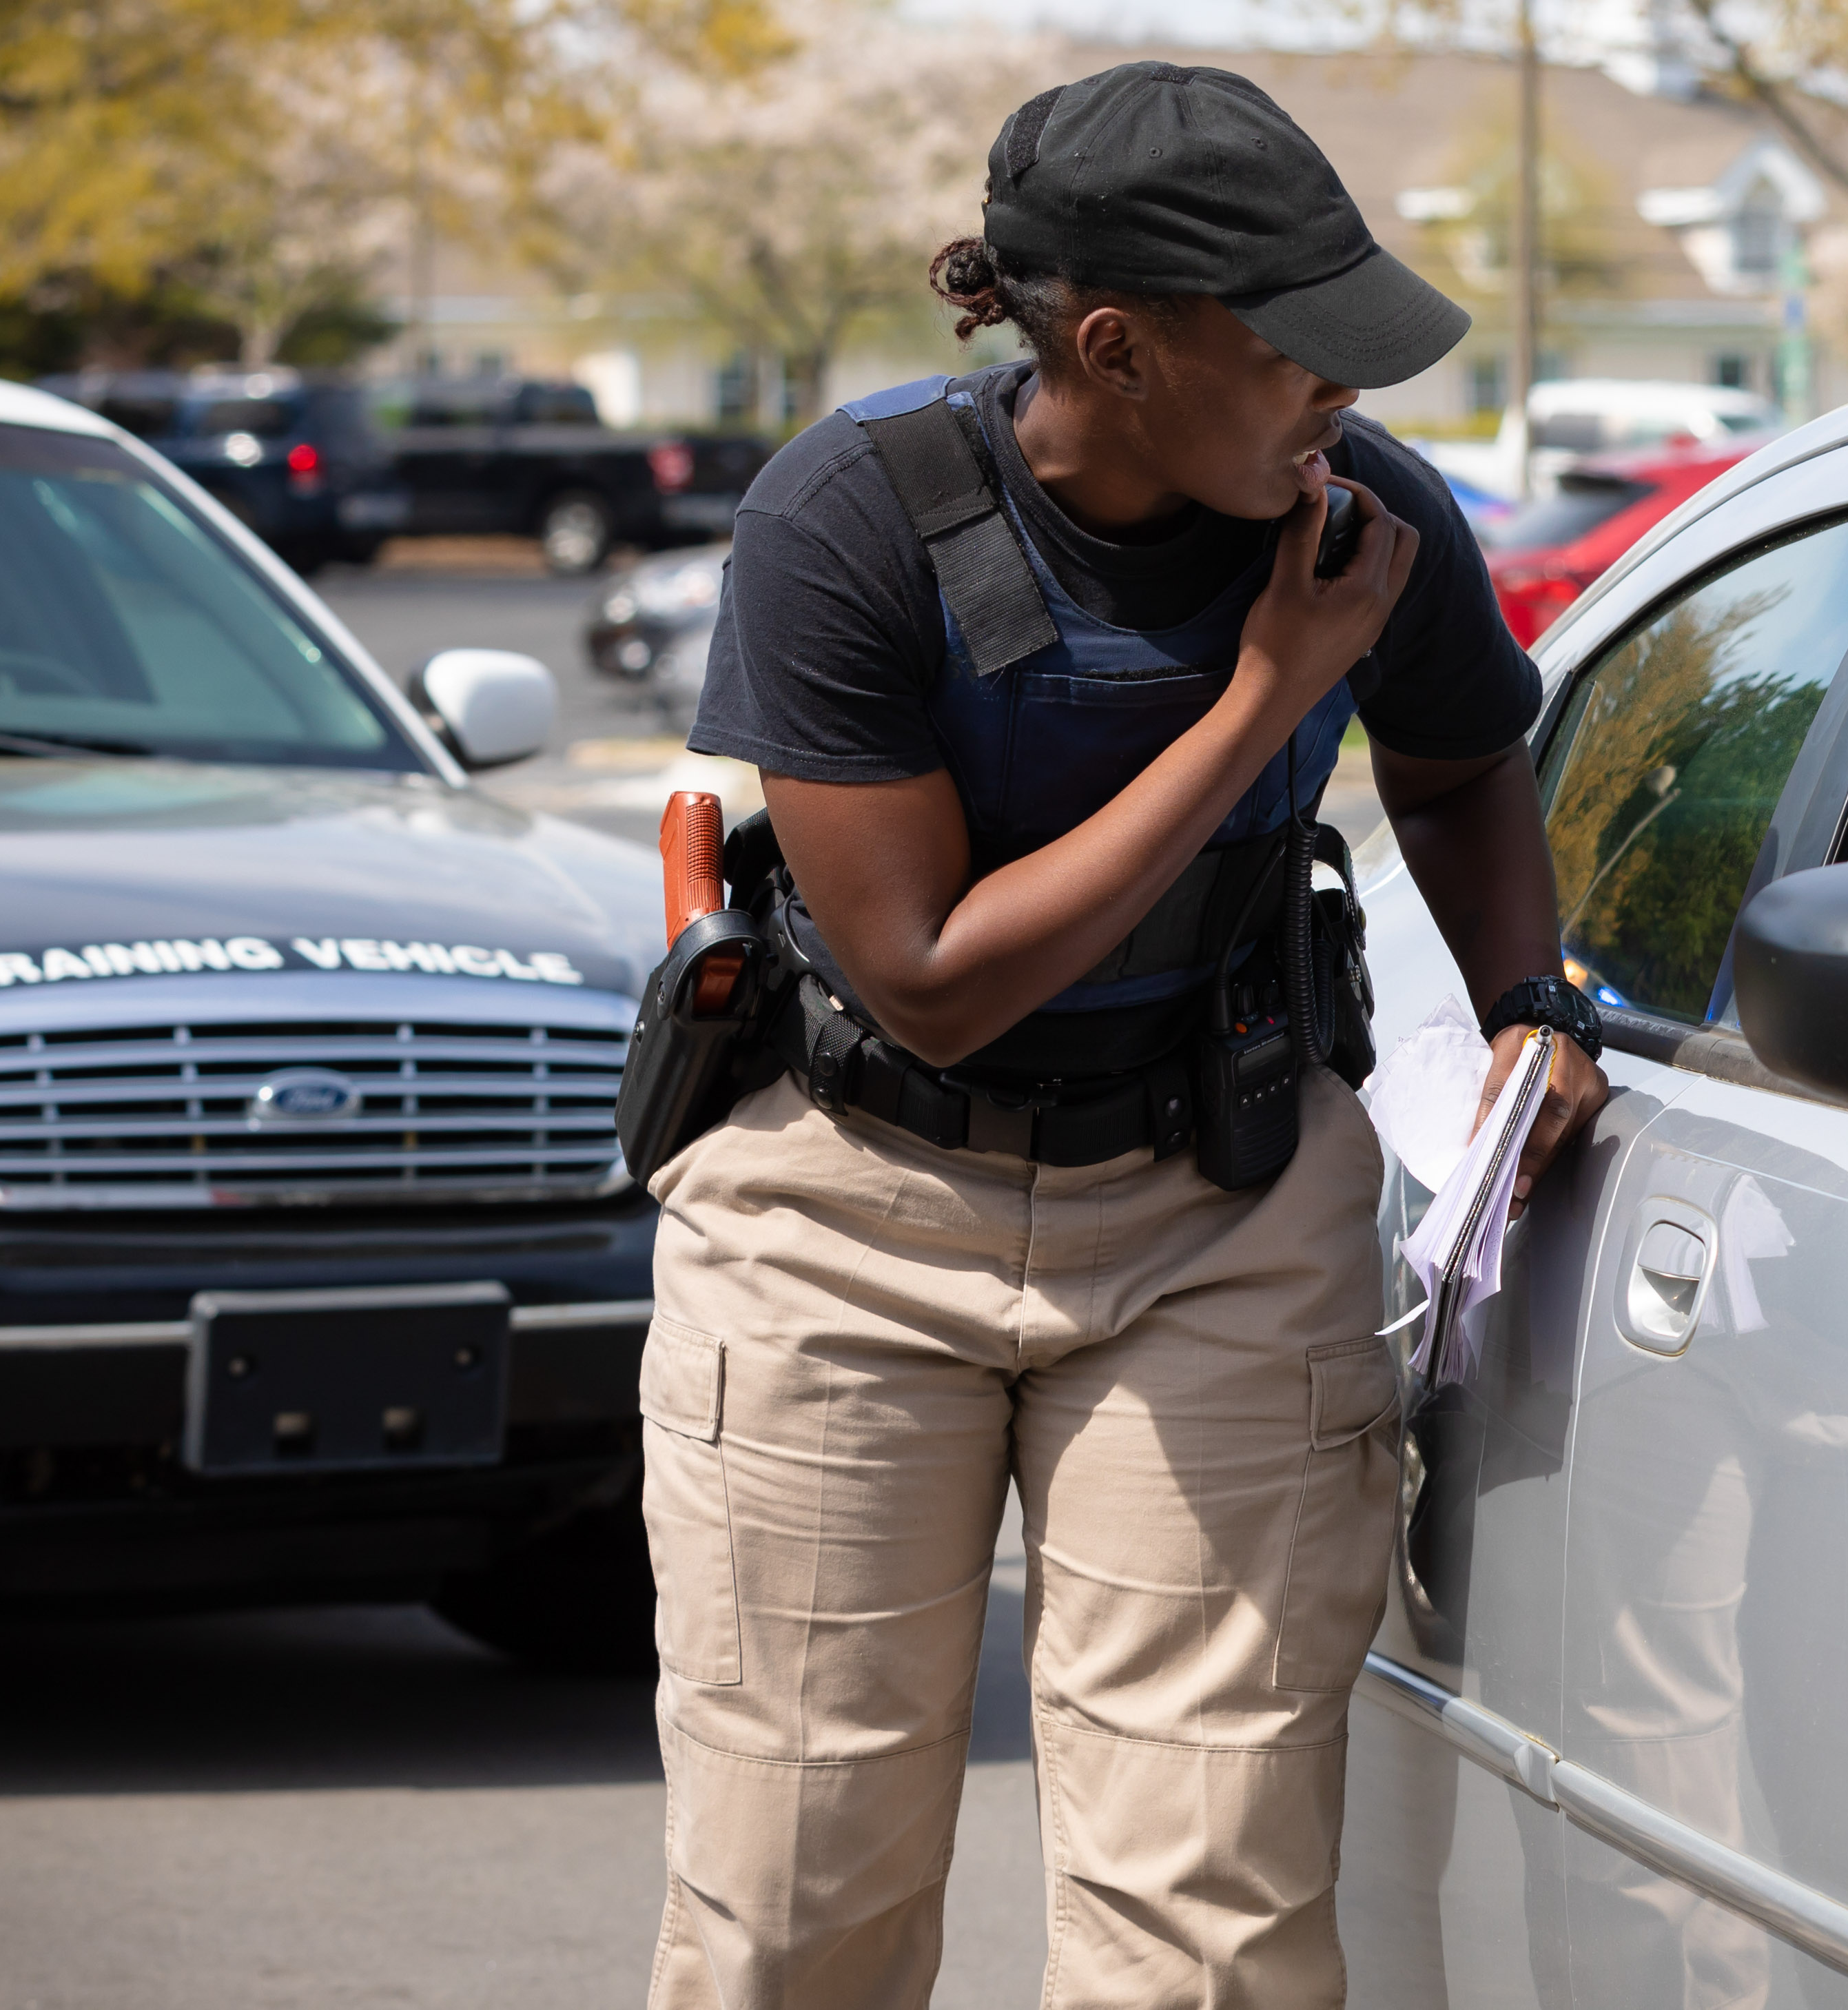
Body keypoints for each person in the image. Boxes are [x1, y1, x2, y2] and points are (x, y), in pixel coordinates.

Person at [642, 63, 1603, 2009]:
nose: (1351, 393)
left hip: (1216, 1218)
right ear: (1117, 345)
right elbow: (927, 968)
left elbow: (1461, 756)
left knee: (1214, 1922)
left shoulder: (1366, 515)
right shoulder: (849, 519)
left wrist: (1527, 998)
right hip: (849, 1221)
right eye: (1302, 352)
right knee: (793, 1898)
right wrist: (1263, 702)